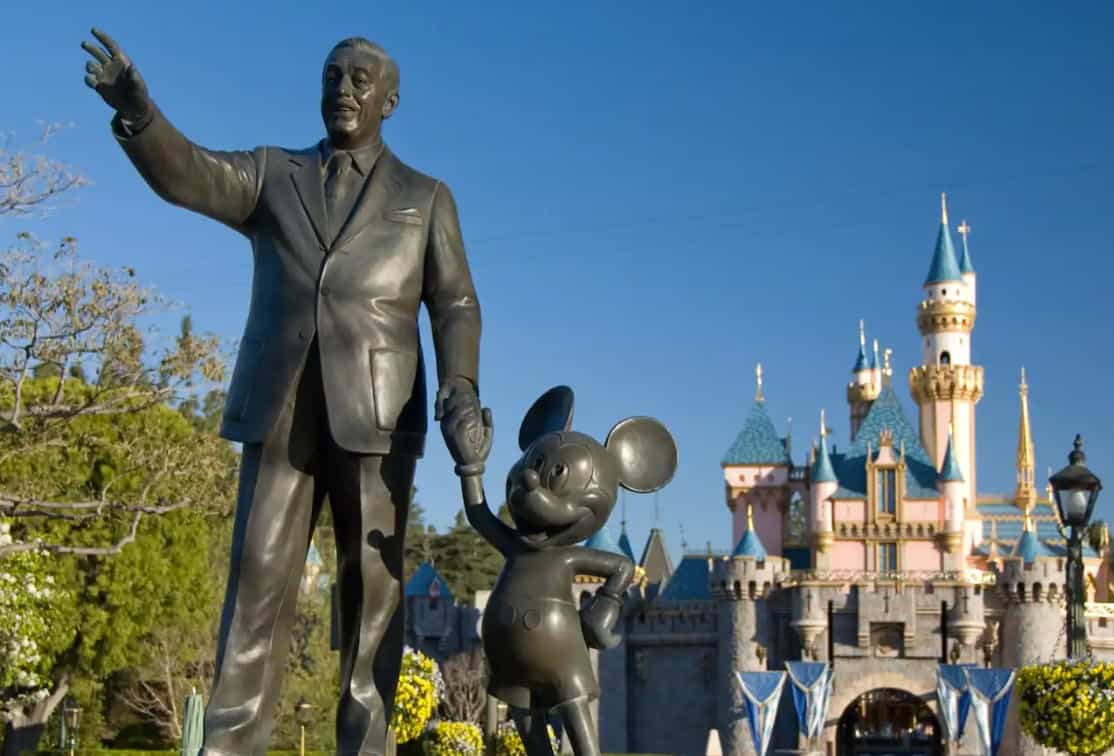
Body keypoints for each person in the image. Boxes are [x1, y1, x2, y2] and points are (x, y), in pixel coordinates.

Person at [82, 28, 482, 756]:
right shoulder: (275, 173)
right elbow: (191, 176)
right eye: (333, 76)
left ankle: (366, 747)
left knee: (371, 603)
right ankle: (230, 746)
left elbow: (455, 303)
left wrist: (460, 387)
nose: (344, 89)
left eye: (362, 79)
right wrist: (142, 116)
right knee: (256, 588)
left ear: (391, 100)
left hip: (380, 418)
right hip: (280, 409)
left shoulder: (425, 199)